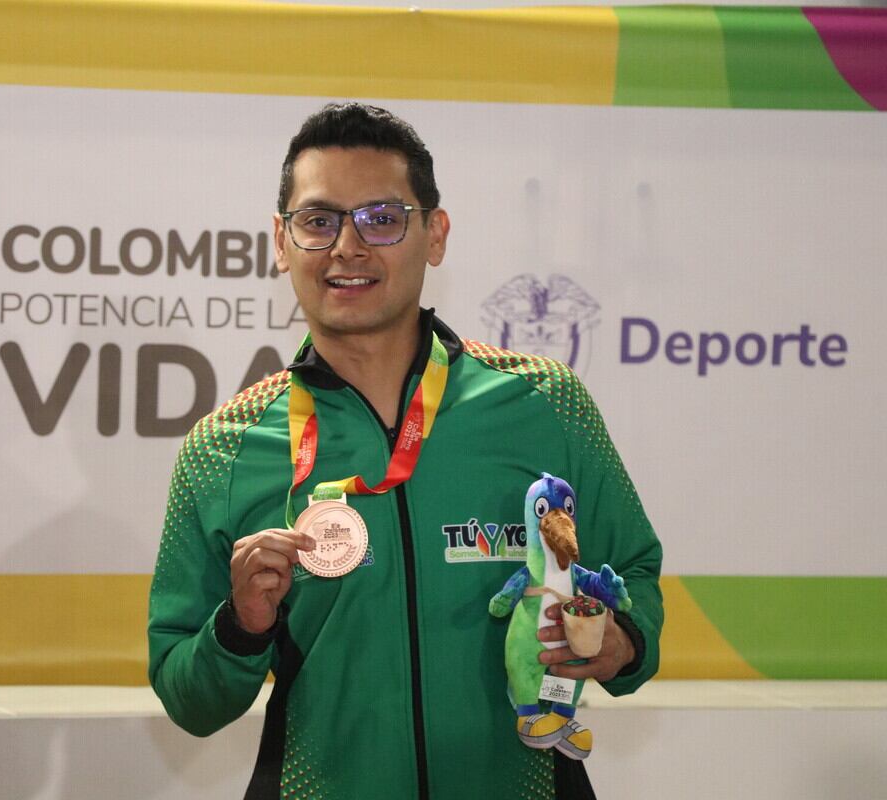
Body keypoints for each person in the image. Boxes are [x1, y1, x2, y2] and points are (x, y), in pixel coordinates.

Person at [148, 101, 662, 799]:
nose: (347, 247)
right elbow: (187, 697)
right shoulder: (224, 446)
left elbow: (635, 571)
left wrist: (623, 640)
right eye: (318, 220)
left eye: (382, 218)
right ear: (281, 241)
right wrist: (240, 627)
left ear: (435, 234)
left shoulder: (544, 401)